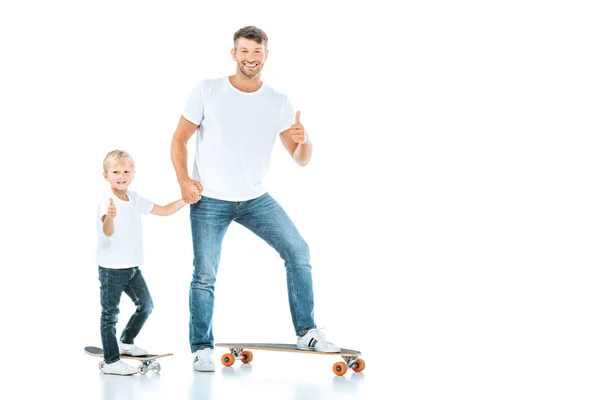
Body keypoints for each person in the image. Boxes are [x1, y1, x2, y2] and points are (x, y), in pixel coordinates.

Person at [170, 26, 340, 372]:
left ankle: (306, 332)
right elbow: (178, 140)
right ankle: (202, 348)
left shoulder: (278, 102)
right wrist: (184, 180)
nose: (250, 58)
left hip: (254, 198)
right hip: (210, 200)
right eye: (244, 51)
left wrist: (304, 140)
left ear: (266, 55)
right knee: (204, 274)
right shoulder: (208, 91)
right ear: (233, 54)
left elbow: (301, 158)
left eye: (257, 52)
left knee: (298, 251)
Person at [96, 149, 186, 375]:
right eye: (115, 171)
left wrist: (186, 199)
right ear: (105, 175)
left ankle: (126, 341)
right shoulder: (107, 201)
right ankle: (111, 361)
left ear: (133, 174)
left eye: (126, 171)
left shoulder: (134, 198)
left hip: (132, 268)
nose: (121, 175)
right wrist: (110, 218)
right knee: (110, 315)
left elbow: (164, 211)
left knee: (146, 305)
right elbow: (107, 231)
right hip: (111, 270)